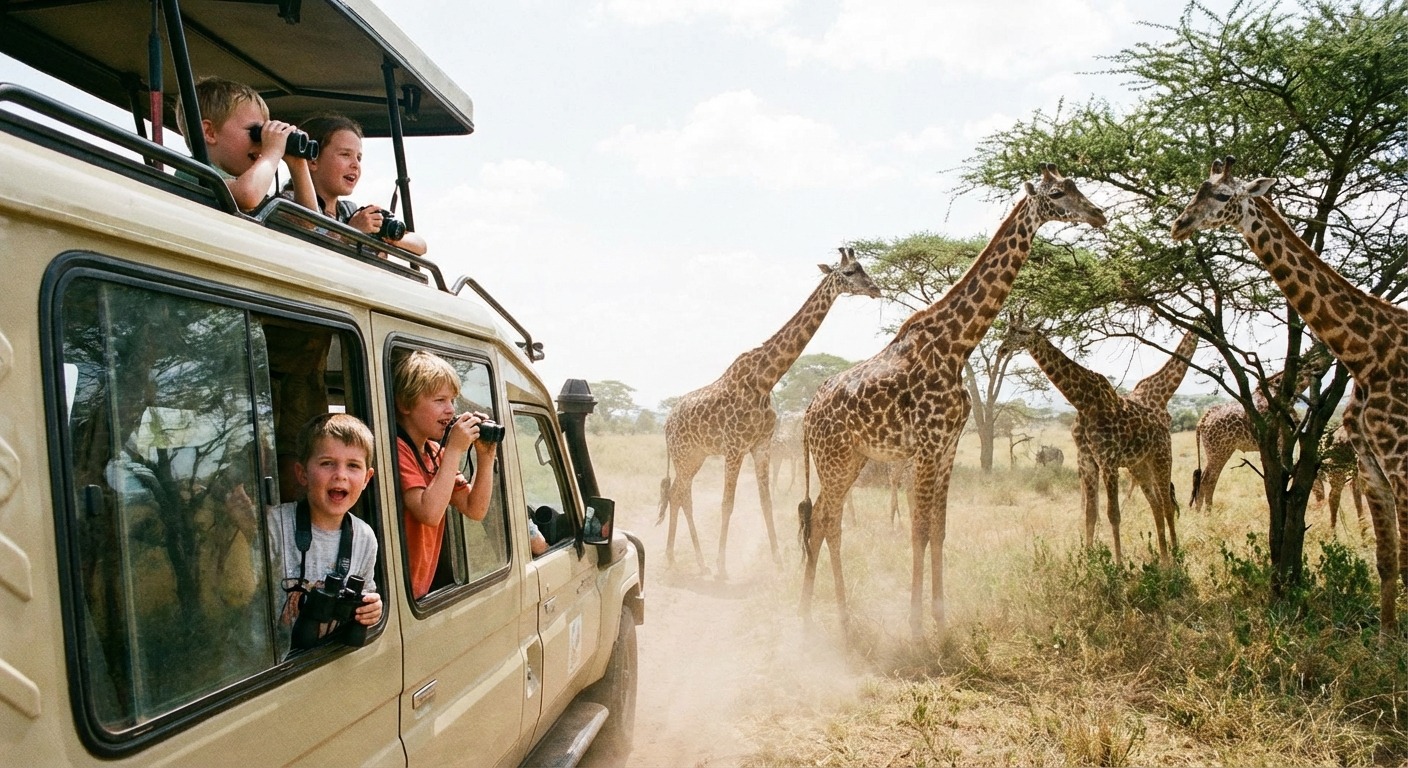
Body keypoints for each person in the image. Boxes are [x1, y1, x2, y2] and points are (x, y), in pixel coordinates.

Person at [268, 413, 381, 653]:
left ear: (366, 479)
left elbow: (367, 593)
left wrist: (371, 609)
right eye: (327, 463)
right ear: (302, 474)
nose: (340, 474)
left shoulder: (364, 537)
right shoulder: (274, 526)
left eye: (353, 466)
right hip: (273, 666)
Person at [393, 350, 498, 598]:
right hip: (400, 591)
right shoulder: (397, 449)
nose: (450, 410)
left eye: (452, 400)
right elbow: (429, 513)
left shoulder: (434, 452)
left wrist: (486, 455)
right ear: (405, 404)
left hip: (418, 590)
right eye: (440, 400)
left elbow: (475, 508)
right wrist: (454, 449)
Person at [289, 113, 429, 255]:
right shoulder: (288, 203)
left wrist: (384, 235)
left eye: (359, 158)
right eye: (345, 154)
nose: (355, 165)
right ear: (313, 161)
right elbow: (309, 250)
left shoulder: (349, 211)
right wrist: (351, 233)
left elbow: (420, 245)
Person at [175, 76, 316, 213]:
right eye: (256, 132)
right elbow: (248, 195)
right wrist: (272, 152)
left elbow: (307, 222)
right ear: (210, 132)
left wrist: (298, 165)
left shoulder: (244, 186)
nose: (261, 142)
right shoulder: (194, 171)